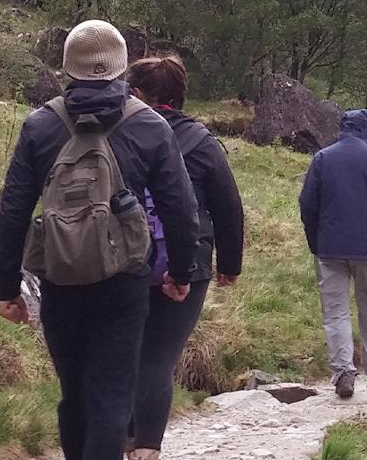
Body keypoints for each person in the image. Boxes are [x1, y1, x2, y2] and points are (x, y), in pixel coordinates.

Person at [0, 21, 202, 460]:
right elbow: (180, 209)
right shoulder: (148, 125)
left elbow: (13, 209)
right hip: (122, 283)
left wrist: (6, 287)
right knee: (111, 394)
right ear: (122, 68)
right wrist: (181, 272)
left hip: (59, 280)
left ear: (66, 67)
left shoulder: (40, 125)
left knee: (74, 393)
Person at [125, 56, 245, 460]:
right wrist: (229, 265)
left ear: (137, 93)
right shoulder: (202, 141)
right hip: (188, 264)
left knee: (125, 352)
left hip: (123, 260)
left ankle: (120, 440)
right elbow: (228, 206)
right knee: (159, 356)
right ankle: (146, 450)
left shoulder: (120, 133)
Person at [299, 108, 367, 399]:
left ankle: (344, 371)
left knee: (335, 311)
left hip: (330, 247)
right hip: (366, 248)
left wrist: (315, 242)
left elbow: (307, 204)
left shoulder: (322, 158)